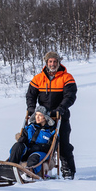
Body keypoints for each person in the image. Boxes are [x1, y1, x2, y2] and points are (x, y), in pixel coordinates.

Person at [26, 51, 77, 179]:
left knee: (64, 145)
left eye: (54, 61)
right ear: (46, 62)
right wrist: (32, 109)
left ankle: (68, 171)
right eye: (50, 61)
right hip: (41, 118)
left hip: (60, 116)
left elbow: (70, 96)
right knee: (35, 142)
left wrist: (60, 109)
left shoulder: (66, 77)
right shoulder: (38, 78)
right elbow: (30, 95)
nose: (52, 64)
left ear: (59, 62)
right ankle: (32, 166)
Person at [8, 106, 56, 173]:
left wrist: (38, 147)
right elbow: (23, 139)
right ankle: (10, 168)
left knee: (35, 156)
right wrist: (22, 139)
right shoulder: (30, 127)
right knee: (17, 146)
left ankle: (30, 172)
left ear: (45, 117)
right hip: (27, 150)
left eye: (40, 115)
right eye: (36, 114)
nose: (37, 117)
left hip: (40, 153)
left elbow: (51, 148)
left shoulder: (51, 131)